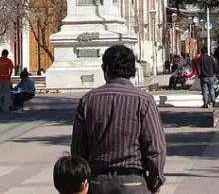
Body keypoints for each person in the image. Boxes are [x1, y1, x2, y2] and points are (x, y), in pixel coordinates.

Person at [71, 45, 166, 193]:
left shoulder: (88, 100)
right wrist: (155, 180)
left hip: (97, 182)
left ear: (106, 69)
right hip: (133, 182)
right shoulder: (144, 100)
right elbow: (155, 147)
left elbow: (78, 147)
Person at [0, 49, 15, 113]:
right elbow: (11, 70)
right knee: (6, 94)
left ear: (2, 54)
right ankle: (6, 109)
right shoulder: (9, 61)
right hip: (6, 78)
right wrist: (9, 76)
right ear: (7, 54)